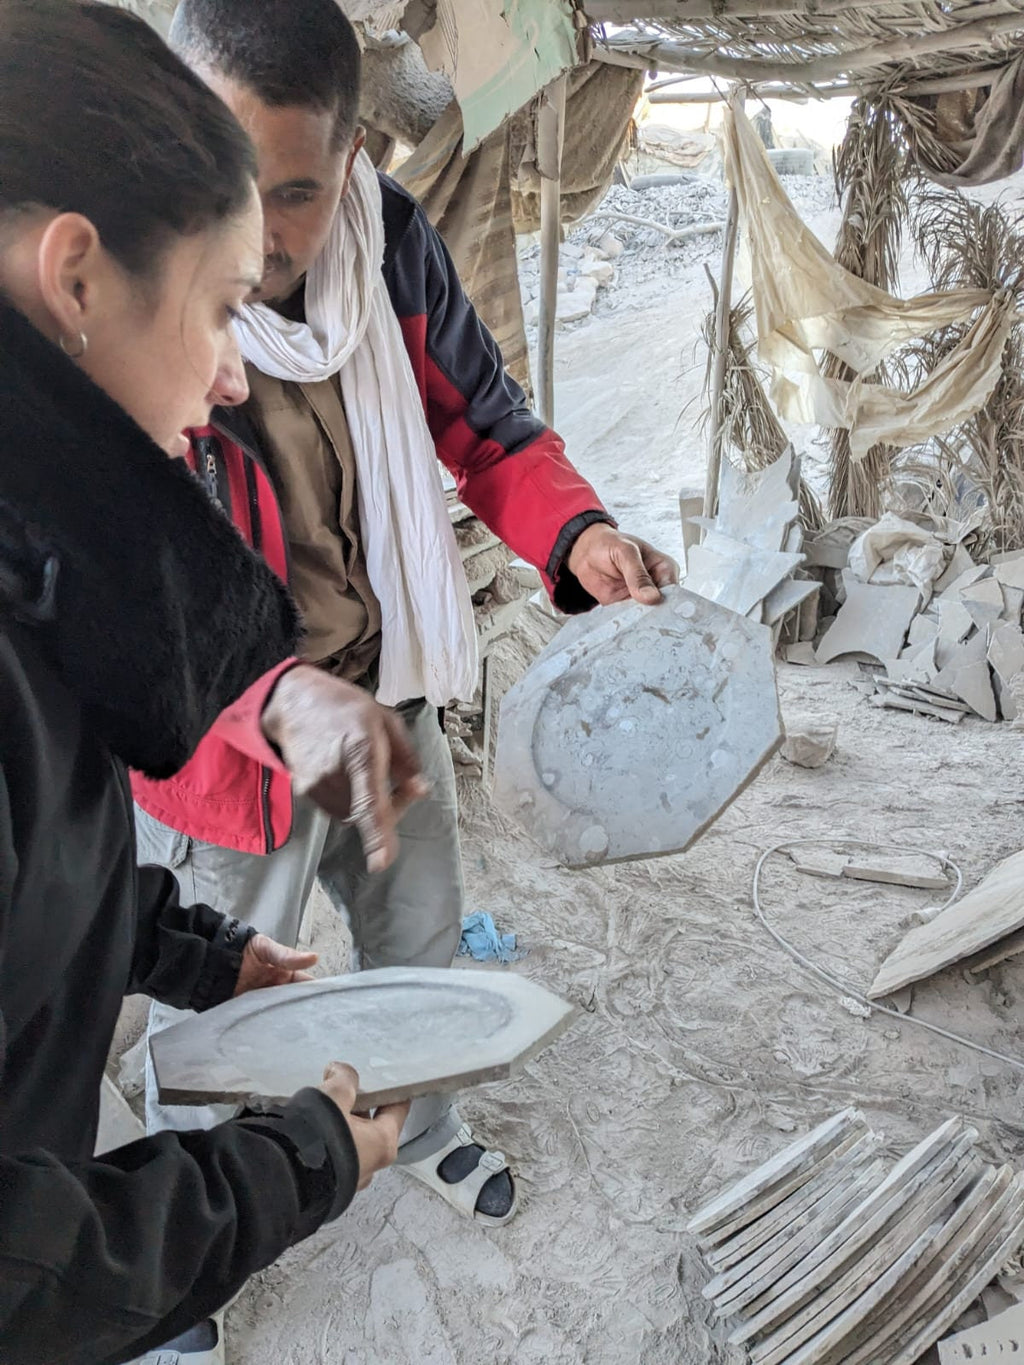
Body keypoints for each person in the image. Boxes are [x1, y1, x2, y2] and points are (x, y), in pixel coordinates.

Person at [132, 0, 680, 1244]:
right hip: (227, 739)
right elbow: (133, 576)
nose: (257, 234)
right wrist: (269, 704)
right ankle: (180, 1218)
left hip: (387, 694)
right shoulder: (137, 281)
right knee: (219, 985)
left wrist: (575, 534)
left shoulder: (389, 244)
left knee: (418, 944)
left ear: (352, 160)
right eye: (225, 181)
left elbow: (486, 425)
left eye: (295, 193)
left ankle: (420, 1128)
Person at [0, 4, 413, 1362]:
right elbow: (23, 1283)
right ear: (76, 276)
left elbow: (36, 889)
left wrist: (190, 951)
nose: (237, 369)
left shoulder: (40, 567)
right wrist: (295, 1167)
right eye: (226, 306)